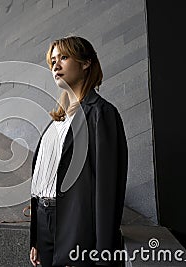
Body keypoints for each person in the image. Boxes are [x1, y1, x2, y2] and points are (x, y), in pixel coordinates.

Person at [29, 36, 128, 267]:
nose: (55, 65)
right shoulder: (56, 121)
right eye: (52, 60)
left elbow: (107, 188)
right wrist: (35, 238)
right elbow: (44, 177)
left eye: (63, 57)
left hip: (77, 228)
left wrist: (103, 253)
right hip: (45, 225)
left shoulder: (101, 114)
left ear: (86, 63)